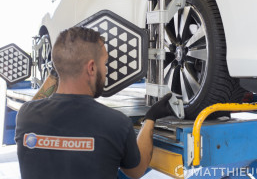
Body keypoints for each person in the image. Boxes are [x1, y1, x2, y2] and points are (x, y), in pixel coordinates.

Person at [15, 27, 174, 179]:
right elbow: (137, 171)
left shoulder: (26, 116)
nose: (105, 71)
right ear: (91, 68)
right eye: (104, 64)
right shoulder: (116, 124)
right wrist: (150, 119)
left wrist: (60, 70)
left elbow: (37, 102)